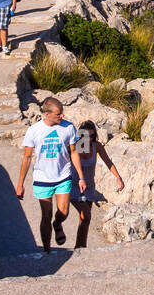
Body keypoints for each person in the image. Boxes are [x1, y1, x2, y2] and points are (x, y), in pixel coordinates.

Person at [17, 97, 86, 255]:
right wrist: (20, 184)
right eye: (58, 114)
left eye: (62, 113)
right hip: (42, 178)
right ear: (46, 114)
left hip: (63, 175)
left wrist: (81, 177)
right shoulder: (34, 131)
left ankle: (58, 224)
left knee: (64, 212)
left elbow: (73, 152)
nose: (62, 116)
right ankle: (47, 251)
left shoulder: (68, 127)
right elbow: (27, 157)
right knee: (45, 215)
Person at [70, 120, 124, 249]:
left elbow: (108, 162)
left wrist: (118, 177)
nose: (88, 139)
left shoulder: (97, 146)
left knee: (84, 219)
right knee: (86, 215)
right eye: (85, 136)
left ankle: (80, 246)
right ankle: (79, 246)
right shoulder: (74, 147)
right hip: (74, 187)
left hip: (89, 187)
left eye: (92, 136)